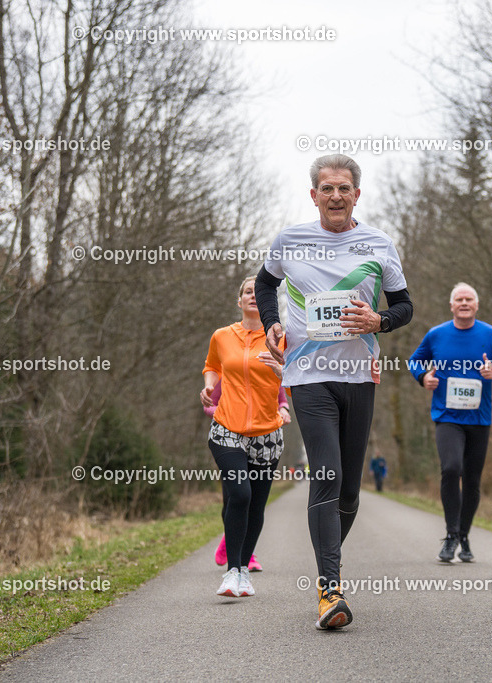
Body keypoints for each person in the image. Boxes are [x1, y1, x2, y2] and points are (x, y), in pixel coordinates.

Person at [255, 154, 413, 629]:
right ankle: (330, 589)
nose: (336, 196)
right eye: (328, 188)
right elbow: (265, 284)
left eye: (345, 188)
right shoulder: (290, 240)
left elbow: (404, 306)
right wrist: (272, 322)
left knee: (349, 492)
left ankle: (328, 565)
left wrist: (379, 320)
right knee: (325, 473)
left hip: (358, 377)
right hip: (307, 378)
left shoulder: (379, 243)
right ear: (314, 195)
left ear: (357, 194)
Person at [409, 283, 492, 563]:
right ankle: (450, 536)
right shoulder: (436, 335)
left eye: (468, 299)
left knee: (471, 481)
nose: (463, 303)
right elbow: (414, 362)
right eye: (459, 299)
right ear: (451, 306)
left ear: (476, 305)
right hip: (447, 417)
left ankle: (464, 535)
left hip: (479, 419)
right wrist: (424, 377)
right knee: (451, 469)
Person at [201, 276, 287, 598]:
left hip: (267, 433)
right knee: (240, 495)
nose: (253, 296)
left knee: (257, 504)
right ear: (239, 301)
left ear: (269, 302)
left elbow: (295, 381)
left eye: (259, 292)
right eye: (247, 292)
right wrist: (209, 386)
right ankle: (232, 571)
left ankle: (244, 574)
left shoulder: (282, 338)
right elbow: (211, 366)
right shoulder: (222, 336)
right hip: (227, 428)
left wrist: (282, 372)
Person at [206, 378, 290, 572]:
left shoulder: (268, 361)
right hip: (230, 439)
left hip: (263, 440)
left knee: (252, 502)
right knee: (236, 497)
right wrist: (229, 414)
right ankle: (235, 557)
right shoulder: (229, 366)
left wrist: (284, 409)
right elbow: (210, 405)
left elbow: (281, 398)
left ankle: (245, 555)